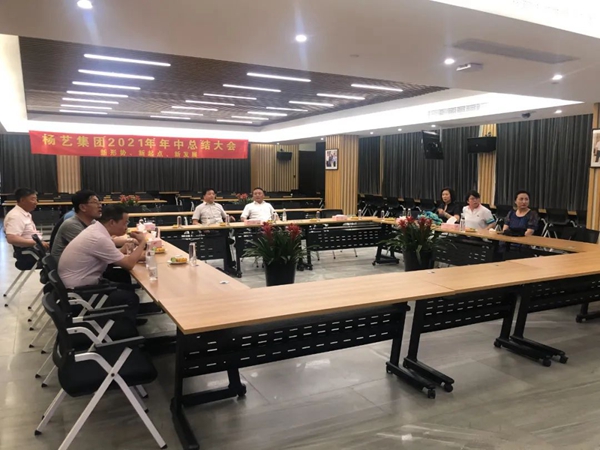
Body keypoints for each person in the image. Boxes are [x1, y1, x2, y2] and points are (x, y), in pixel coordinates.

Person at [58, 205, 146, 324]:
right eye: (125, 223)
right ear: (112, 222)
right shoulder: (99, 238)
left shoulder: (95, 230)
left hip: (77, 285)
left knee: (125, 284)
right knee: (129, 297)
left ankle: (128, 320)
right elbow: (129, 264)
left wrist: (127, 252)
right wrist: (142, 242)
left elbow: (112, 256)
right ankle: (123, 329)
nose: (126, 227)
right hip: (79, 293)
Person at [51, 190, 102, 262]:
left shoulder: (93, 222)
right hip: (68, 266)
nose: (100, 205)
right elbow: (92, 248)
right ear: (83, 207)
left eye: (99, 202)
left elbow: (103, 240)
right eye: (95, 202)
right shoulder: (71, 225)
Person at [4, 188, 48, 269]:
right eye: (33, 199)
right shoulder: (15, 216)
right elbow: (12, 239)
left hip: (36, 249)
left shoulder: (24, 213)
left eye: (36, 199)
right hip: (29, 254)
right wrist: (37, 243)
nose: (36, 202)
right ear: (22, 200)